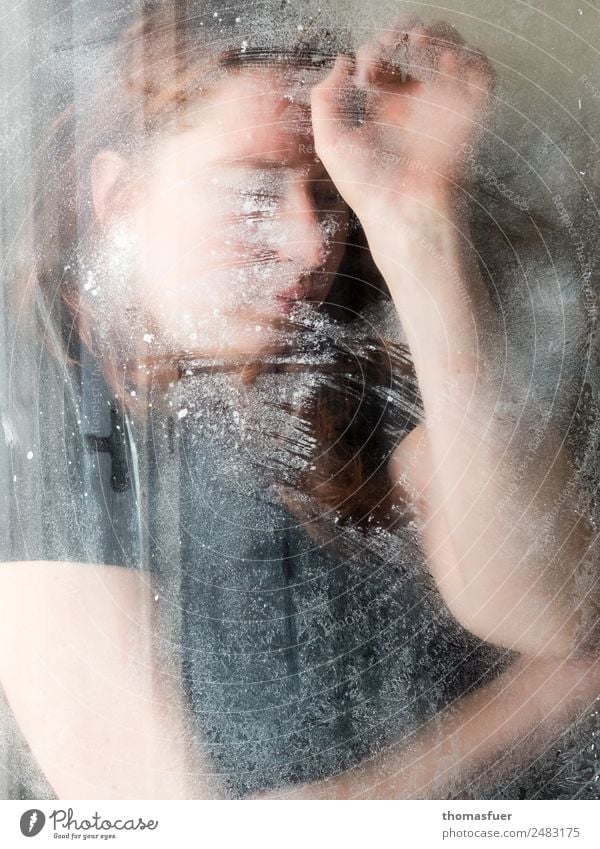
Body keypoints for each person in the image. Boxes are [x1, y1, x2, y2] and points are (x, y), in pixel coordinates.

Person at [0, 5, 598, 800]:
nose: (311, 243)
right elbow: (168, 824)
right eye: (253, 191)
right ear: (119, 199)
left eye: (326, 190)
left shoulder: (340, 359)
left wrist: (417, 222)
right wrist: (543, 699)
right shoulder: (43, 416)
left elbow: (547, 608)